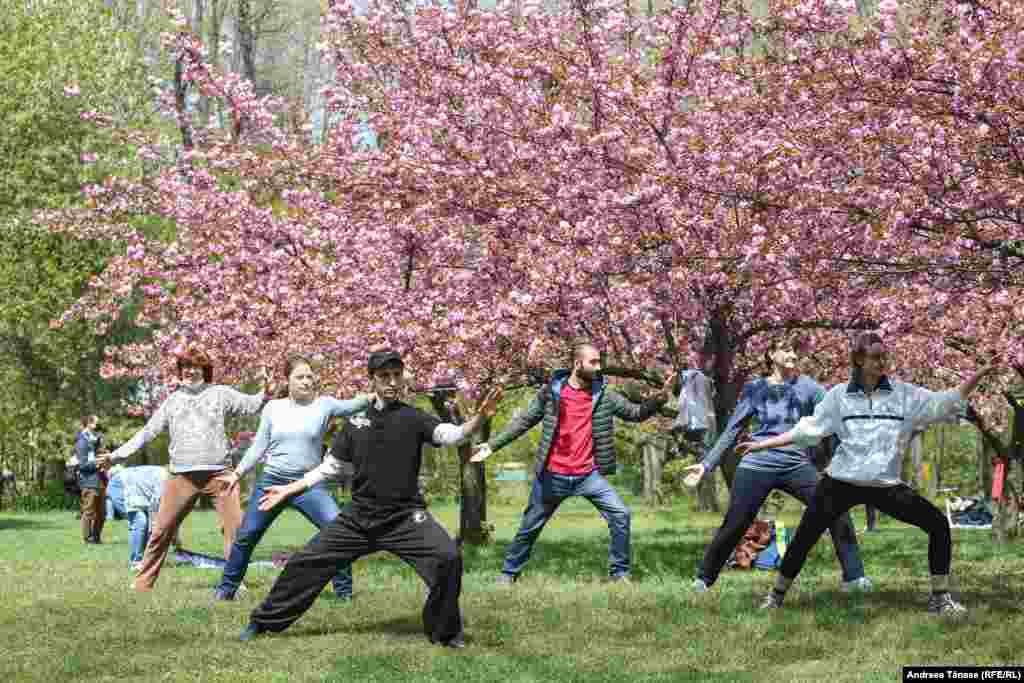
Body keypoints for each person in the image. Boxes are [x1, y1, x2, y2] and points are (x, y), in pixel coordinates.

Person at [238, 350, 502, 648]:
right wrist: (290, 489)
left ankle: (445, 632)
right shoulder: (355, 423)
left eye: (396, 376)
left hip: (404, 518)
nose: (391, 382)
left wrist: (479, 418)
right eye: (384, 376)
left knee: (448, 558)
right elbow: (331, 468)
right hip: (359, 518)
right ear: (372, 380)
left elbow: (453, 435)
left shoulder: (414, 418)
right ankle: (263, 622)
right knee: (306, 562)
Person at [741, 332, 998, 617]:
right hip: (840, 482)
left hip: (883, 485)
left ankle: (940, 599)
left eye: (884, 356)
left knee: (938, 524)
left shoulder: (903, 394)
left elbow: (945, 401)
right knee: (803, 537)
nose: (882, 361)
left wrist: (981, 372)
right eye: (875, 357)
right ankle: (775, 597)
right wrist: (763, 443)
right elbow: (808, 430)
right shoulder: (839, 395)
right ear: (859, 360)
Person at [473, 343, 675, 584]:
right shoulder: (551, 393)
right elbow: (524, 421)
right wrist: (492, 445)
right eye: (594, 362)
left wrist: (659, 399)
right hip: (552, 475)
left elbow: (635, 413)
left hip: (588, 475)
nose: (599, 367)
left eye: (599, 361)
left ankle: (619, 573)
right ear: (577, 364)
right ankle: (508, 574)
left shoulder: (604, 396)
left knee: (621, 514)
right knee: (529, 527)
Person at [685, 338, 871, 594]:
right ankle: (703, 579)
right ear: (771, 354)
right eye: (786, 349)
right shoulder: (754, 389)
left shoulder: (810, 388)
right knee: (736, 522)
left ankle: (855, 578)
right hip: (756, 464)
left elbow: (834, 421)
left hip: (795, 464)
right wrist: (706, 465)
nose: (792, 354)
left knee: (834, 508)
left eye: (796, 350)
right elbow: (733, 429)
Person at [99, 346, 268, 591]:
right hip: (181, 476)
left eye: (196, 367)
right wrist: (116, 456)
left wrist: (266, 390)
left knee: (236, 529)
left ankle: (233, 583)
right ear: (180, 371)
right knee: (161, 530)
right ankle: (143, 583)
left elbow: (251, 405)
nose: (190, 371)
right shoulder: (173, 401)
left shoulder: (220, 393)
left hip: (220, 474)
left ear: (205, 370)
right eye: (186, 367)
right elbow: (147, 432)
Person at [213, 355, 372, 602]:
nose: (306, 381)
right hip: (272, 483)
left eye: (310, 376)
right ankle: (226, 591)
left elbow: (355, 404)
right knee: (246, 536)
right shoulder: (273, 408)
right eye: (300, 377)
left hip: (310, 485)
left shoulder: (324, 405)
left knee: (338, 531)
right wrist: (236, 474)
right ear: (287, 380)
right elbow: (258, 447)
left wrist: (375, 394)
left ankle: (344, 595)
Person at [107, 465, 175, 569]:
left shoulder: (170, 482)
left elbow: (171, 512)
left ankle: (146, 559)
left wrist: (174, 534)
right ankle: (136, 562)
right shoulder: (165, 480)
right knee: (140, 521)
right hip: (120, 485)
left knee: (146, 524)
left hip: (136, 491)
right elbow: (154, 508)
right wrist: (156, 530)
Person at [75, 414, 106, 544]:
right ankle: (87, 539)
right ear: (89, 423)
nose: (97, 425)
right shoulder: (82, 441)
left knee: (102, 512)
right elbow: (82, 465)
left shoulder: (94, 439)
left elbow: (96, 453)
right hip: (88, 481)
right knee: (89, 511)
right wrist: (97, 463)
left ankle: (96, 537)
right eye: (95, 422)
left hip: (99, 480)